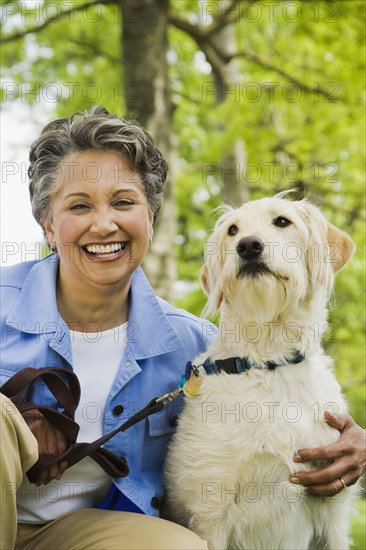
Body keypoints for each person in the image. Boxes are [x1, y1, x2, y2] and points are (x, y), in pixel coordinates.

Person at [0, 106, 364, 550]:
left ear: (149, 220)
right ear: (49, 228)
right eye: (79, 206)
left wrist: (356, 444)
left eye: (123, 202)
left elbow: (274, 381)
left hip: (82, 532)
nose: (104, 223)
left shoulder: (198, 351)